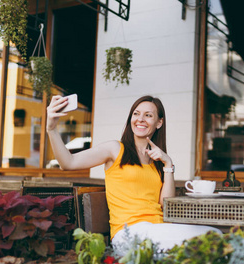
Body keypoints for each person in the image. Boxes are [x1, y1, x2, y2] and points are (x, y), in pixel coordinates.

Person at [47, 95, 221, 252]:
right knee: (211, 239)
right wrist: (52, 129)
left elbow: (165, 204)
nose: (140, 119)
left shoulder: (157, 161)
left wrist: (168, 163)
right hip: (129, 233)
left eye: (148, 115)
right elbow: (68, 163)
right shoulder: (115, 149)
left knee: (214, 235)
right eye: (136, 113)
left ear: (159, 123)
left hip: (158, 229)